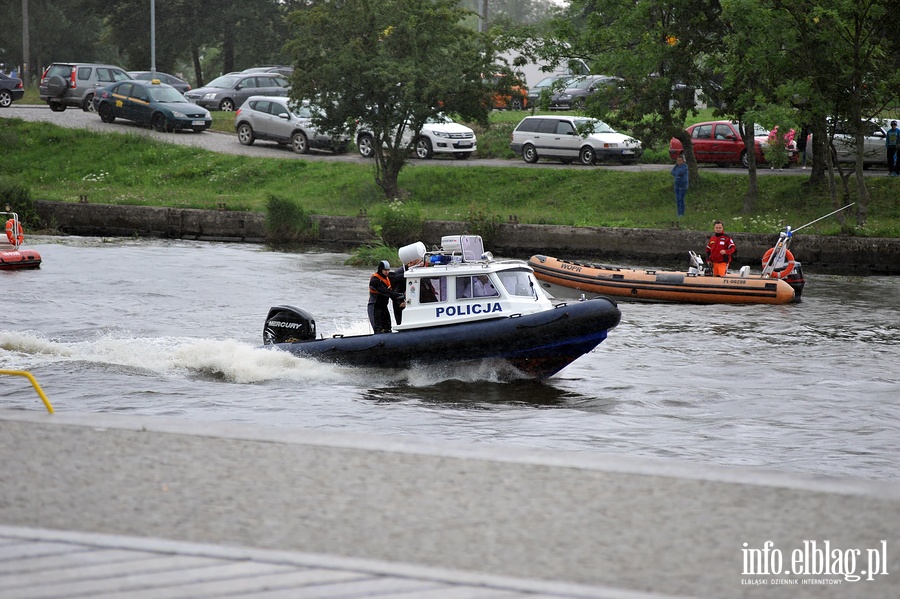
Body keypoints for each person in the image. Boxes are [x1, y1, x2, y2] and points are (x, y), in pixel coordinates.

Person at [368, 260, 405, 333]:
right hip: (375, 307)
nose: (387, 272)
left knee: (387, 327)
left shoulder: (388, 277)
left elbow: (399, 277)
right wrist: (399, 295)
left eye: (388, 270)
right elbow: (385, 292)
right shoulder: (374, 280)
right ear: (380, 270)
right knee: (378, 329)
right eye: (385, 270)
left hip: (384, 307)